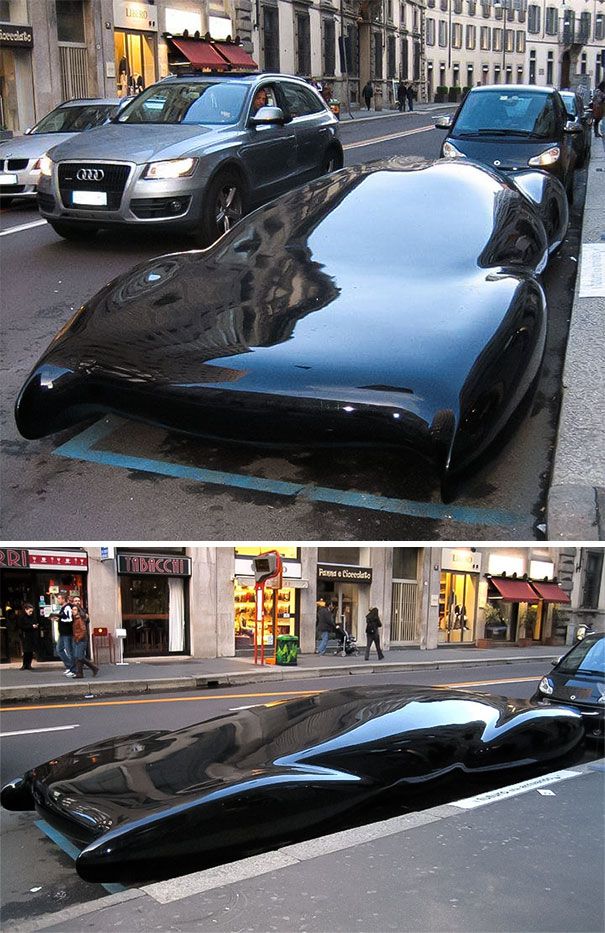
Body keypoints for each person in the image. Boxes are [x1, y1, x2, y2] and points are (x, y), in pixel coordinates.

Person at [72, 605, 99, 678]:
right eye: (72, 609)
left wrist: (78, 638)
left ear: (78, 611)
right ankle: (79, 673)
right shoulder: (76, 619)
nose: (73, 611)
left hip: (81, 640)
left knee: (80, 657)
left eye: (74, 610)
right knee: (77, 657)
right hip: (77, 639)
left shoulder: (80, 619)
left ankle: (94, 668)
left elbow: (83, 631)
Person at [56, 592, 76, 677]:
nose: (58, 600)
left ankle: (73, 669)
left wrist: (59, 619)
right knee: (59, 649)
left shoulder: (67, 607)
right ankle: (69, 666)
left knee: (69, 651)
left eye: (59, 598)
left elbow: (69, 619)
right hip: (63, 633)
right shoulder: (64, 607)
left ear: (63, 599)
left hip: (67, 633)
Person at [17, 603, 38, 670]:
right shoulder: (22, 617)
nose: (31, 613)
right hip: (25, 635)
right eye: (30, 611)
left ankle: (29, 664)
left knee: (31, 651)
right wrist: (31, 626)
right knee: (26, 651)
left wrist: (35, 626)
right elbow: (21, 626)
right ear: (26, 610)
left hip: (32, 635)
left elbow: (36, 622)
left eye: (32, 611)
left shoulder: (33, 617)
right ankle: (24, 664)